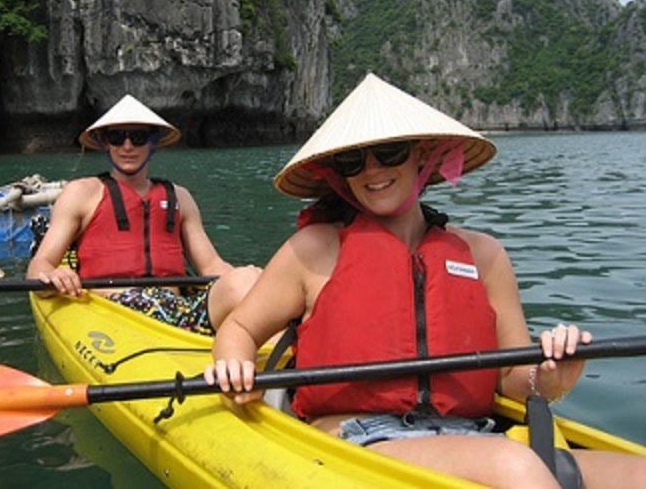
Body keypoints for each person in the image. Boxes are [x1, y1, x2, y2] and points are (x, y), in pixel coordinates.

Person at [204, 73, 645, 487]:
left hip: (475, 435)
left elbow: (512, 377)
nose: (373, 171)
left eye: (391, 153)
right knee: (513, 465)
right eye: (355, 161)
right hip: (360, 442)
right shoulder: (313, 249)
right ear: (341, 174)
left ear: (423, 155)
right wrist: (234, 363)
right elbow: (240, 329)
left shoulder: (484, 255)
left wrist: (551, 377)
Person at [28, 94, 260, 335]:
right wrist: (54, 276)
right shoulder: (81, 193)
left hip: (179, 311)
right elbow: (40, 265)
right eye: (116, 137)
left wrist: (252, 280)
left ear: (153, 142)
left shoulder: (180, 197)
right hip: (112, 309)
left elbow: (211, 265)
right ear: (105, 143)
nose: (127, 146)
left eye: (138, 138)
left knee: (248, 279)